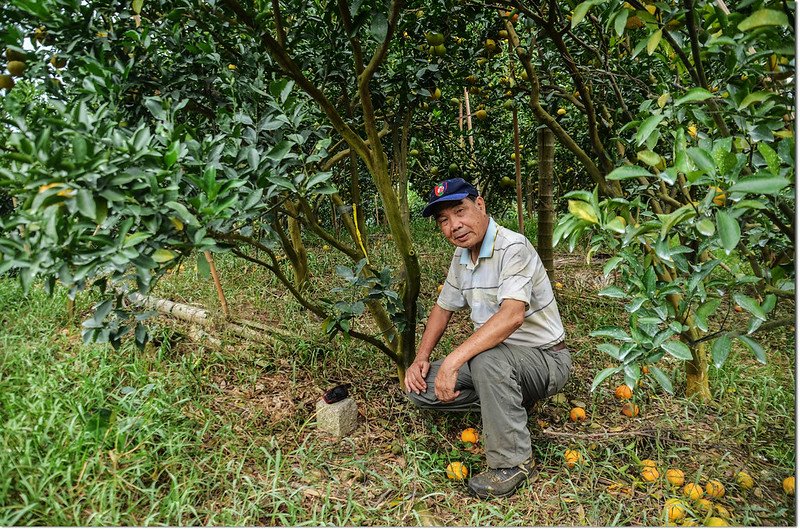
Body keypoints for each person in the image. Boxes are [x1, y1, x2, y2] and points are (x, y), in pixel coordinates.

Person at [405, 177, 571, 499]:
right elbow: (442, 309)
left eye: (460, 211)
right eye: (444, 220)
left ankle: (514, 462)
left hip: (546, 359)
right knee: (420, 389)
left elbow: (512, 316)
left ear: (479, 205)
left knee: (483, 357)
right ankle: (507, 403)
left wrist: (455, 359)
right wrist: (420, 358)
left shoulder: (513, 247)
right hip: (499, 363)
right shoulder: (462, 257)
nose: (455, 225)